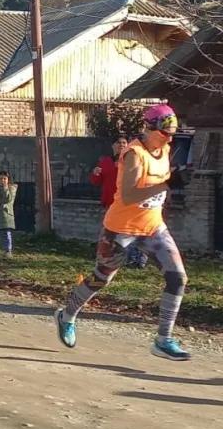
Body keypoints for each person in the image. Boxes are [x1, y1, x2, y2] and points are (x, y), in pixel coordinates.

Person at [55, 104, 193, 361]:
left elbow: (158, 185)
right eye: (165, 132)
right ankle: (67, 316)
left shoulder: (164, 148)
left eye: (173, 132)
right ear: (148, 128)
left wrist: (175, 179)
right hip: (121, 229)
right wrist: (167, 183)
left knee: (178, 278)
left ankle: (163, 340)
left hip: (153, 227)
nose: (170, 138)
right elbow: (129, 196)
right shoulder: (134, 154)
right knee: (101, 279)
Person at [92, 135, 148, 268]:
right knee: (110, 231)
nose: (122, 145)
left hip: (128, 203)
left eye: (124, 143)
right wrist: (96, 173)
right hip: (111, 203)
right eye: (118, 143)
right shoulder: (105, 162)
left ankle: (137, 259)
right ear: (113, 146)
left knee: (131, 231)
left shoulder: (132, 159)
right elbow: (97, 182)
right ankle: (109, 258)